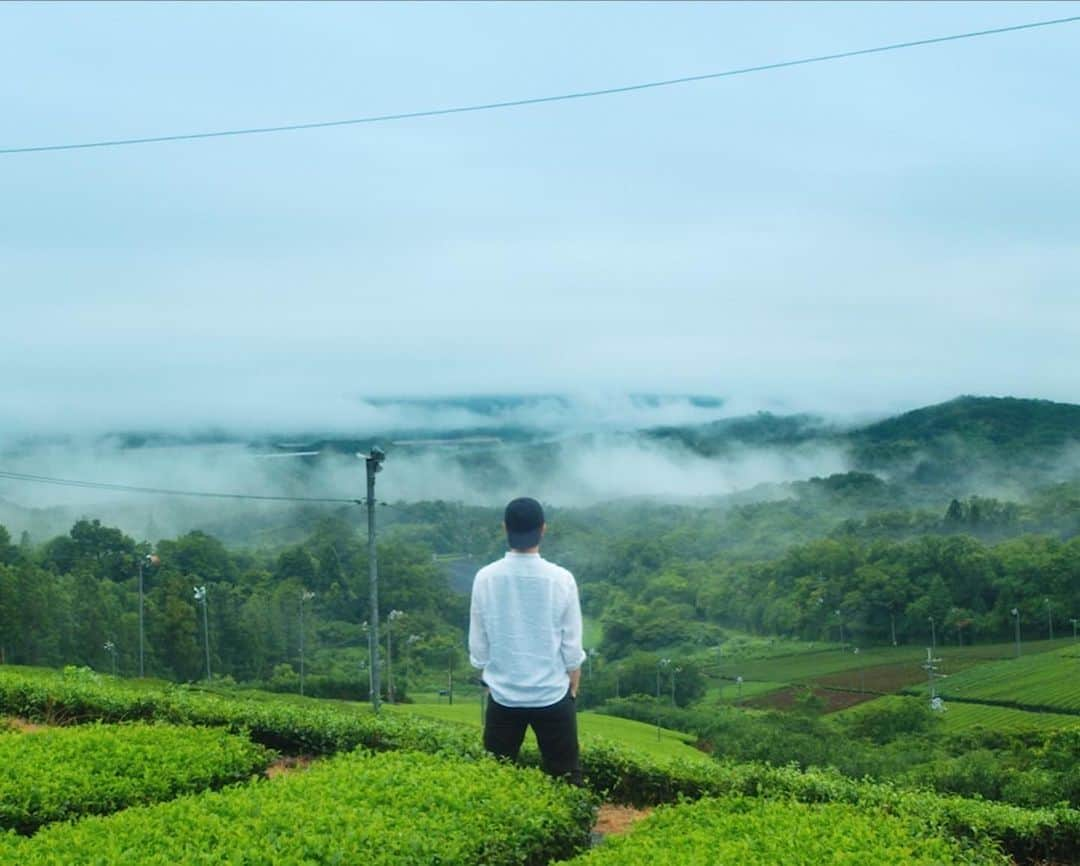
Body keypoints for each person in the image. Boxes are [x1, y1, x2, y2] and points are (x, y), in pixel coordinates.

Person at [469, 496, 585, 783]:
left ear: (504, 528)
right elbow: (571, 643)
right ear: (543, 529)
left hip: (504, 695)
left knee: (496, 778)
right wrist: (573, 680)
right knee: (566, 776)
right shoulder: (561, 579)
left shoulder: (485, 578)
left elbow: (478, 642)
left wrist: (486, 676)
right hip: (551, 693)